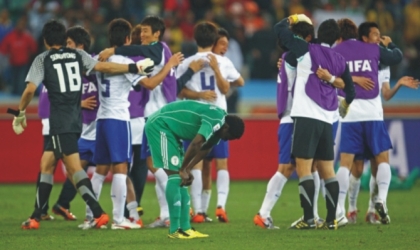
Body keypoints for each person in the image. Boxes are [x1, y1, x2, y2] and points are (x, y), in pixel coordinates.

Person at [13, 19, 153, 230]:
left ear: (45, 40)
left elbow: (30, 90)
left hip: (61, 120)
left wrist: (20, 112)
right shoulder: (78, 55)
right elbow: (104, 66)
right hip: (76, 119)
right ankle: (37, 214)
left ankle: (97, 213)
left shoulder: (42, 59)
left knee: (75, 169)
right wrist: (132, 66)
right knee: (47, 164)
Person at [85, 18, 182, 230]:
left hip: (104, 118)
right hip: (121, 118)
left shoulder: (100, 58)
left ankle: (91, 216)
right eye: (139, 33)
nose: (142, 36)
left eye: (146, 31)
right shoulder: (129, 63)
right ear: (128, 38)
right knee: (125, 168)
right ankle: (121, 218)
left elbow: (89, 69)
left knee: (103, 169)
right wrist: (169, 65)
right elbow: (150, 82)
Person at [254, 22, 346, 229]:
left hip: (299, 116)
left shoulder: (293, 56)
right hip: (293, 117)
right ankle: (264, 213)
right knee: (288, 167)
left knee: (311, 166)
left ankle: (314, 216)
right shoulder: (295, 56)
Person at [274, 15, 356, 230]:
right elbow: (351, 91)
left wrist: (292, 18)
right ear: (338, 38)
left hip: (306, 115)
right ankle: (332, 219)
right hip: (327, 119)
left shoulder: (306, 49)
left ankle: (309, 218)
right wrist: (342, 102)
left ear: (318, 33)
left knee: (304, 168)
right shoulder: (340, 60)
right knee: (328, 169)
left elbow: (279, 29)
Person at [345, 24, 418, 224]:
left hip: (371, 114)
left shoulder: (381, 61)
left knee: (377, 165)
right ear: (364, 38)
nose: (380, 38)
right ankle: (352, 208)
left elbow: (385, 94)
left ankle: (371, 210)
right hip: (361, 116)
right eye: (375, 35)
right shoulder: (354, 56)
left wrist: (398, 85)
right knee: (358, 169)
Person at [333, 20, 403, 225]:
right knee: (382, 160)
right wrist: (389, 44)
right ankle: (380, 199)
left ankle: (340, 210)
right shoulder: (372, 48)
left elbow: (326, 74)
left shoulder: (336, 51)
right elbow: (397, 57)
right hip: (372, 112)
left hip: (349, 112)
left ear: (339, 35)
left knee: (345, 164)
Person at [144, 100, 245, 239]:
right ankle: (174, 230)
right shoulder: (215, 119)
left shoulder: (220, 124)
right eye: (228, 137)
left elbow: (206, 148)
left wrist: (188, 168)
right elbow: (197, 142)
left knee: (181, 177)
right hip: (160, 125)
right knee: (175, 176)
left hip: (172, 131)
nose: (226, 140)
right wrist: (183, 168)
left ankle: (186, 228)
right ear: (226, 127)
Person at [178, 25, 244, 223]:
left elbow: (179, 90)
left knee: (196, 163)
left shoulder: (187, 63)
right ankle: (213, 208)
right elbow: (233, 85)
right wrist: (215, 69)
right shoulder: (223, 62)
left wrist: (197, 94)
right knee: (219, 163)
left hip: (193, 119)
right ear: (214, 40)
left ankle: (201, 210)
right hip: (217, 118)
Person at [34, 25, 98, 222]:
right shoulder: (63, 62)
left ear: (80, 45)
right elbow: (54, 95)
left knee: (58, 166)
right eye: (65, 43)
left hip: (69, 122)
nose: (66, 47)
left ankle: (46, 210)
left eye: (69, 43)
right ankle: (95, 211)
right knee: (65, 167)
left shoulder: (60, 61)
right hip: (61, 121)